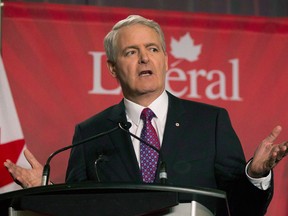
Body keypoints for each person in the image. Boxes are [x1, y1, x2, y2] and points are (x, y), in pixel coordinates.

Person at [4, 15, 288, 215]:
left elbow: (241, 208)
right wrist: (46, 192)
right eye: (131, 51)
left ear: (165, 60)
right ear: (113, 69)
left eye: (152, 49)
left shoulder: (210, 122)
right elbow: (82, 206)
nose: (144, 58)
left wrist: (255, 174)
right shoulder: (90, 133)